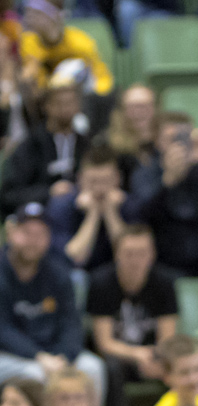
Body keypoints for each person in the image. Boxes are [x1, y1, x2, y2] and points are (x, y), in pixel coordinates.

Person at [0, 202, 107, 406]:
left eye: (40, 234)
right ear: (11, 233)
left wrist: (65, 359)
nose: (33, 240)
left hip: (55, 354)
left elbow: (71, 322)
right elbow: (3, 329)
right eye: (26, 233)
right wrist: (38, 357)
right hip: (11, 355)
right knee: (36, 375)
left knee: (93, 368)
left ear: (49, 238)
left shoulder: (58, 272)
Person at [125, 110, 198, 276]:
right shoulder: (147, 173)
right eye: (172, 139)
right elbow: (141, 213)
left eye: (185, 138)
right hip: (165, 261)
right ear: (158, 141)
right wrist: (167, 182)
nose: (179, 145)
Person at [87, 224, 177, 386]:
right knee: (110, 368)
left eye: (142, 253)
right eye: (129, 254)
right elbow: (104, 342)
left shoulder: (165, 283)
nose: (135, 261)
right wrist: (136, 354)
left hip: (152, 354)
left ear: (152, 255)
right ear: (116, 254)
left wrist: (154, 358)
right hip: (119, 356)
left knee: (174, 364)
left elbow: (167, 338)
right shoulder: (101, 283)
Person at [2, 81, 84, 216]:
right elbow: (9, 195)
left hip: (78, 211)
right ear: (47, 106)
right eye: (59, 103)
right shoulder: (30, 146)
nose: (65, 108)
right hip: (40, 214)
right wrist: (48, 192)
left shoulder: (85, 144)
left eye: (70, 103)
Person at [49, 143, 124, 272]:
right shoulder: (62, 205)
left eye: (106, 181)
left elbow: (130, 256)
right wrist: (92, 214)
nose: (99, 189)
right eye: (93, 181)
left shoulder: (128, 204)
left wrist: (111, 213)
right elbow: (75, 258)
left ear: (117, 179)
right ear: (80, 180)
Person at [19, 1, 112, 101]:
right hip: (46, 98)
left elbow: (101, 77)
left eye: (36, 14)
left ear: (52, 16)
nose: (29, 19)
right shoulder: (28, 41)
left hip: (84, 97)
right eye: (28, 14)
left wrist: (99, 97)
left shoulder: (79, 41)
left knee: (74, 66)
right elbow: (31, 74)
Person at [105, 82, 158, 187]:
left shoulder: (163, 143)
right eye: (132, 107)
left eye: (144, 106)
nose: (139, 112)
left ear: (155, 108)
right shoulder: (110, 147)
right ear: (122, 111)